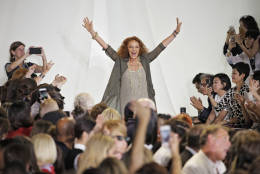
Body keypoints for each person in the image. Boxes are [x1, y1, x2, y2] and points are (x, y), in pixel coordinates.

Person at [82, 17, 182, 113]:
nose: (134, 49)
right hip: (126, 107)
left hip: (144, 107)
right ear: (127, 49)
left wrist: (175, 33)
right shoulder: (121, 61)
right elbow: (107, 47)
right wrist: (92, 32)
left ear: (140, 49)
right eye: (131, 47)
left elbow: (160, 47)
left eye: (136, 47)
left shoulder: (145, 60)